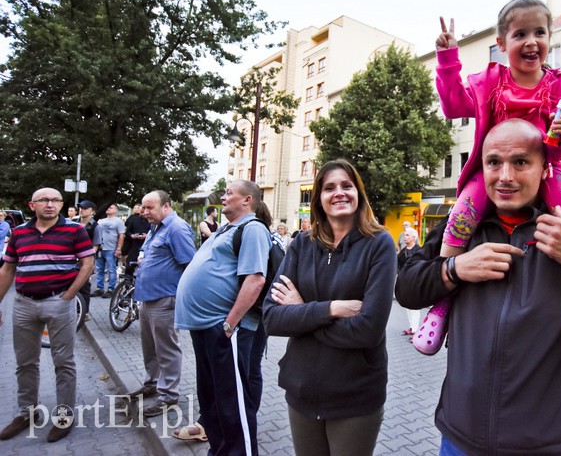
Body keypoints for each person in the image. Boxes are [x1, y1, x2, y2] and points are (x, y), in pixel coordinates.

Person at [396, 119, 561, 455]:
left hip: (551, 445)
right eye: (494, 162)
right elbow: (406, 288)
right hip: (460, 439)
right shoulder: (465, 226)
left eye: (521, 162)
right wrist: (454, 269)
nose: (505, 176)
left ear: (544, 169)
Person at [416, 0, 561, 374]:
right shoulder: (491, 82)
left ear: (550, 38)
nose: (531, 41)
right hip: (492, 174)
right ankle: (442, 304)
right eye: (520, 34)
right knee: (462, 213)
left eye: (540, 32)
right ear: (501, 42)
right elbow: (452, 106)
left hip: (544, 171)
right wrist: (448, 60)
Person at [263, 159, 396, 456]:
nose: (339, 193)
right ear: (319, 199)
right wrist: (330, 309)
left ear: (358, 193)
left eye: (347, 186)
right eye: (329, 188)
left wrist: (301, 312)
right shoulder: (300, 244)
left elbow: (367, 331)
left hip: (354, 397)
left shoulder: (380, 245)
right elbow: (271, 318)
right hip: (300, 394)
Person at [175, 180, 272, 454]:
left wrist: (230, 324)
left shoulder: (252, 229)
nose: (223, 196)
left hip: (225, 329)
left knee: (232, 405)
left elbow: (255, 279)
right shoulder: (228, 229)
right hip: (206, 327)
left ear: (247, 200)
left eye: (230, 193)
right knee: (212, 400)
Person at [0, 188, 95, 443]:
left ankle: (64, 415)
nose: (50, 205)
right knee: (25, 362)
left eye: (55, 200)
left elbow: (88, 263)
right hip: (23, 304)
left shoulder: (75, 231)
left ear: (62, 204)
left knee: (64, 361)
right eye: (44, 200)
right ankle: (26, 413)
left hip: (58, 302)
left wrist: (69, 294)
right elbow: (8, 269)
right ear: (32, 205)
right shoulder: (19, 233)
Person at [129, 190, 196, 417]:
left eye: (150, 208)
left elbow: (190, 265)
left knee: (166, 348)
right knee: (150, 346)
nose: (144, 212)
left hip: (165, 298)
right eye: (143, 207)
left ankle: (168, 396)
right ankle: (153, 384)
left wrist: (185, 299)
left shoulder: (176, 228)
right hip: (148, 297)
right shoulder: (156, 227)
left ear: (166, 206)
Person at [91, 203, 126, 297]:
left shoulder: (118, 221)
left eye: (111, 207)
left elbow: (121, 235)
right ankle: (99, 288)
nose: (108, 209)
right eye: (107, 207)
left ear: (116, 210)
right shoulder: (100, 221)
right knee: (99, 269)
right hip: (100, 248)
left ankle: (111, 288)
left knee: (111, 270)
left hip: (111, 248)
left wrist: (119, 248)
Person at [398, 227, 422, 340]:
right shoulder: (402, 252)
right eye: (404, 235)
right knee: (407, 305)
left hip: (415, 281)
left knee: (415, 306)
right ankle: (412, 328)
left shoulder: (419, 250)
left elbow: (423, 266)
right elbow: (398, 266)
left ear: (413, 237)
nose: (404, 237)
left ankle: (416, 331)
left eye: (407, 235)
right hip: (404, 282)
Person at [75, 200, 97, 311]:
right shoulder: (74, 223)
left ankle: (84, 312)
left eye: (85, 208)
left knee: (84, 286)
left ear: (92, 211)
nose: (81, 210)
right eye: (80, 208)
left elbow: (95, 246)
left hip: (86, 262)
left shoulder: (96, 226)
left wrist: (86, 260)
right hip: (71, 260)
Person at [122, 203, 149, 274]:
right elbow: (127, 231)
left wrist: (147, 236)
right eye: (141, 212)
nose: (143, 214)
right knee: (129, 266)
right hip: (135, 246)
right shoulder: (134, 220)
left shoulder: (152, 221)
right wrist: (132, 235)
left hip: (147, 246)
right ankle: (128, 282)